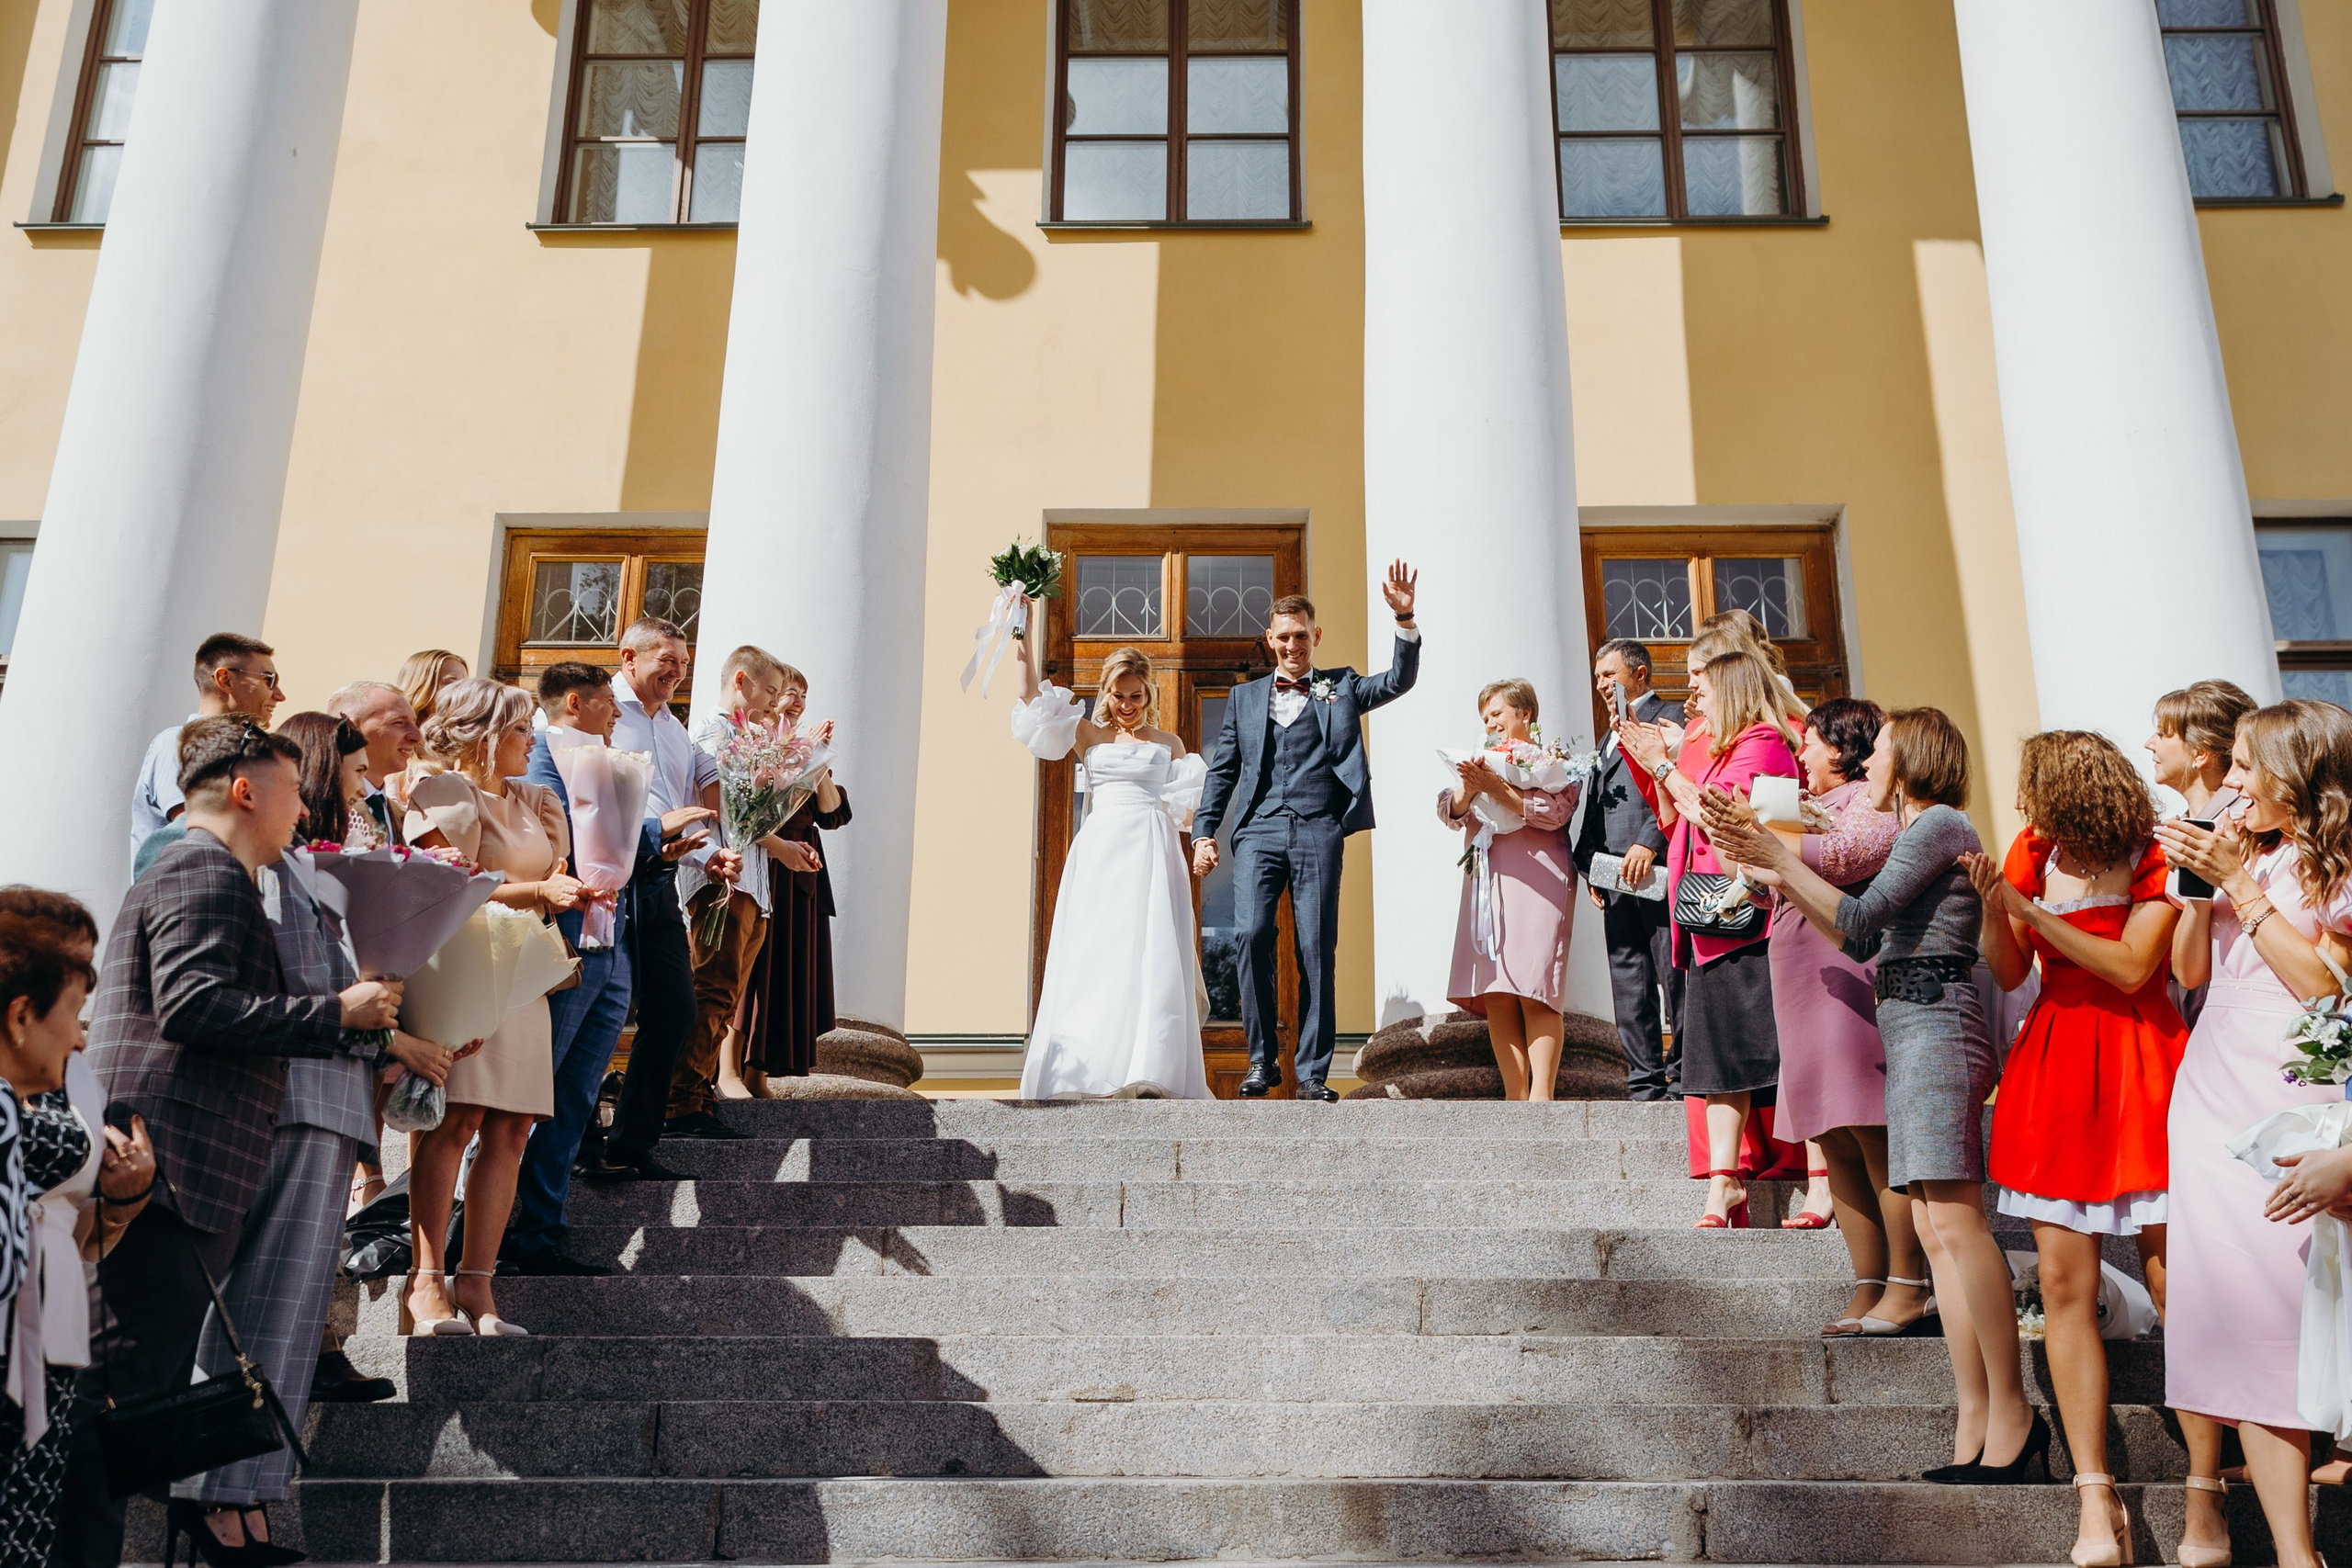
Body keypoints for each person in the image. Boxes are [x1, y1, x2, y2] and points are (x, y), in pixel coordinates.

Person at [68, 717, 401, 1568]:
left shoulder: (214, 870)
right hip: (167, 1161)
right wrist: (337, 1014)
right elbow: (191, 1006)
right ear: (246, 790)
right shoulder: (202, 867)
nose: (302, 810)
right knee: (114, 1386)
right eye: (291, 792)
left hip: (179, 1163)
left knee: (127, 1381)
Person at [1702, 708, 2040, 1487]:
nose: (1871, 761)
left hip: (1937, 1027)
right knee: (1933, 1220)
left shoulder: (1940, 823)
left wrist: (1775, 858)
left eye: (1882, 748)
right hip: (1910, 1022)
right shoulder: (1922, 828)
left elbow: (1856, 917)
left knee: (1955, 1222)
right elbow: (1855, 937)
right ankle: (1975, 1418)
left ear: (1914, 755)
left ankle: (2013, 1414)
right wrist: (1768, 859)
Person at [171, 713, 451, 1558]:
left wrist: (392, 1031)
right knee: (256, 1311)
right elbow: (291, 991)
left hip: (331, 1099)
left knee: (290, 1320)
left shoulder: (309, 871)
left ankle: (252, 1491)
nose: (358, 792)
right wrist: (375, 1026)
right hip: (286, 1098)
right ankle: (216, 1493)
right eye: (343, 779)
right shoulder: (240, 867)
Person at [1964, 729, 2185, 1568]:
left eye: (2033, 786)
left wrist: (2028, 909)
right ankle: (2095, 1493)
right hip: (2055, 1061)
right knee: (2064, 1280)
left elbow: (2133, 969)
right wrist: (1998, 908)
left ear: (2068, 785)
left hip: (2139, 1058)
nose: (2025, 804)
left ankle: (2209, 1465)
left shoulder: (2151, 853)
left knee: (2172, 1273)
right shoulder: (2031, 849)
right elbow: (2013, 967)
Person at [2154, 699, 2352, 1568]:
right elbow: (2188, 973)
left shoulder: (2336, 867)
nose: (2230, 782)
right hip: (2209, 1090)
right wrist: (2200, 887)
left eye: (2244, 766)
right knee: (2234, 1323)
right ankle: (2293, 1553)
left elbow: (2328, 993)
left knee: (2286, 1315)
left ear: (2298, 775)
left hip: (2291, 1090)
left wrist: (2238, 882)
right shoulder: (2251, 847)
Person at [1192, 563, 1422, 1101]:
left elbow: (1398, 681)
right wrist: (1205, 831)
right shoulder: (1244, 698)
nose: (1293, 645)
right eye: (1284, 637)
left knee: (1317, 947)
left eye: (1302, 636)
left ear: (1315, 637)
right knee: (1249, 936)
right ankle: (1260, 1061)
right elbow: (1224, 769)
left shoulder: (1338, 686)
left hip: (1319, 827)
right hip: (1258, 830)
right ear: (1269, 640)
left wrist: (1404, 616)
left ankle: (1313, 1073)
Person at [503, 663, 705, 1275]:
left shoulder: (607, 755)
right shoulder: (544, 754)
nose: (617, 713)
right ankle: (492, 1227)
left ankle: (543, 1229)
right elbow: (561, 822)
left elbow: (613, 840)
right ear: (573, 703)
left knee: (578, 1094)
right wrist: (654, 826)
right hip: (570, 940)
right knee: (540, 1089)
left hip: (614, 940)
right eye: (606, 704)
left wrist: (655, 848)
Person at [401, 679, 589, 1337]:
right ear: (483, 735)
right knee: (456, 1118)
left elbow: (550, 869)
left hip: (523, 971)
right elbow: (445, 884)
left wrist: (570, 889)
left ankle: (479, 1285)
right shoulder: (447, 793)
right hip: (463, 965)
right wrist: (542, 886)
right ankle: (425, 1282)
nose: (530, 742)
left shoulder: (532, 799)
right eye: (518, 731)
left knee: (511, 1129)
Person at [1618, 647, 1799, 1226]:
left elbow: (1723, 817)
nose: (1695, 700)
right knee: (1715, 1058)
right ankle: (1724, 1182)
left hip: (1751, 919)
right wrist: (1657, 764)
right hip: (1706, 919)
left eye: (1705, 689)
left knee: (1775, 1056)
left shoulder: (1763, 743)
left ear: (1736, 693)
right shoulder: (1720, 748)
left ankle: (1817, 1179)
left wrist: (1666, 765)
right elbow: (1677, 816)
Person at [1763, 696, 1927, 1333]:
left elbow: (1848, 856)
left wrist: (1772, 843)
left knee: (1868, 1126)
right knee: (1831, 1136)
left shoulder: (1867, 799)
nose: (1800, 754)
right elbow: (1751, 875)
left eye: (1809, 742)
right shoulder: (1793, 810)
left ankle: (1908, 1279)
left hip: (1849, 971)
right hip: (1798, 971)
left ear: (1840, 747)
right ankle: (1867, 1279)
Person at [0, 891, 153, 1568]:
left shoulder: (72, 1081)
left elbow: (81, 1234)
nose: (84, 1031)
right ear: (21, 1014)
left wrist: (121, 1203)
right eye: (73, 1005)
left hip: (52, 1335)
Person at [1014, 643, 1212, 1100]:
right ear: (1106, 693)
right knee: (1096, 949)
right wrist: (1021, 636)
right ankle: (1081, 1073)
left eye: (1136, 697)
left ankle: (1150, 1069)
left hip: (1153, 848)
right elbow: (1028, 699)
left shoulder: (1169, 745)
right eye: (1119, 696)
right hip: (1101, 849)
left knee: (1152, 950)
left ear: (1149, 696)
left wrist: (1198, 835)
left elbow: (1187, 815)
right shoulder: (1087, 736)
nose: (1126, 706)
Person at [590, 619, 738, 1181]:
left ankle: (631, 1141)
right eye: (666, 660)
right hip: (606, 880)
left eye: (683, 662)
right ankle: (583, 1146)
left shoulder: (674, 731)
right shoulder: (601, 714)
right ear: (629, 658)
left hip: (658, 882)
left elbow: (680, 810)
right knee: (598, 1014)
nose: (677, 672)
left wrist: (709, 857)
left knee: (676, 1009)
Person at [669, 647, 820, 1135]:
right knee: (711, 989)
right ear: (742, 681)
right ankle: (681, 1102)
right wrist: (781, 847)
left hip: (752, 882)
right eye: (771, 691)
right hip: (721, 878)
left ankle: (699, 1094)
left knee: (727, 993)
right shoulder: (715, 735)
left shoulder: (749, 736)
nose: (775, 703)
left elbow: (757, 805)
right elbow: (729, 808)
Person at [1438, 679, 1580, 1100]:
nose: (1490, 723)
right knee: (1497, 991)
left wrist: (1502, 790)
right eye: (1484, 717)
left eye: (1497, 713)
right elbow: (1451, 813)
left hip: (1541, 877)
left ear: (1525, 714)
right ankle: (1514, 1095)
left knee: (1536, 986)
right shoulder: (1477, 762)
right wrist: (1469, 787)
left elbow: (1556, 813)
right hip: (1490, 879)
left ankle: (1542, 1096)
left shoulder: (1554, 762)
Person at [1571, 638, 1681, 1101]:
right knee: (1628, 977)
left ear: (1639, 674)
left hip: (1655, 871)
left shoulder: (1668, 719)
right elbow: (1598, 803)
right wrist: (1589, 864)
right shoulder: (1608, 734)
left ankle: (1683, 1075)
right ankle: (1643, 1081)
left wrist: (1649, 843)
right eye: (1596, 676)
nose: (1600, 684)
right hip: (1614, 877)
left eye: (1608, 675)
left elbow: (1677, 786)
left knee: (1672, 974)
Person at [734, 667, 852, 1094]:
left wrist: (817, 760)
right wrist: (794, 755)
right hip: (766, 858)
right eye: (788, 692)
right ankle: (728, 1070)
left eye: (804, 693)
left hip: (803, 868)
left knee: (788, 969)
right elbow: (757, 801)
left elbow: (833, 812)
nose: (798, 700)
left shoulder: (806, 749)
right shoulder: (753, 744)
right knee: (755, 967)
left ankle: (758, 1074)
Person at [2150, 679, 2256, 1029]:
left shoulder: (2243, 821)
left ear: (2200, 754)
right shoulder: (2194, 824)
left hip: (2236, 998)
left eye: (2163, 735)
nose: (2150, 744)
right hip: (2196, 997)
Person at [130, 634, 283, 873]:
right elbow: (199, 831)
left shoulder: (251, 750)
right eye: (269, 680)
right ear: (225, 679)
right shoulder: (176, 744)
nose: (280, 695)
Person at [326, 680, 424, 848]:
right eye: (398, 722)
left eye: (414, 722)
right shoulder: (320, 805)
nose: (416, 736)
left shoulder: (402, 814)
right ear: (351, 728)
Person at [395, 649, 469, 728]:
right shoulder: (397, 731)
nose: (463, 690)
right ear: (423, 687)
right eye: (450, 683)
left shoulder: (465, 731)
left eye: (465, 683)